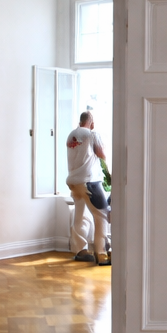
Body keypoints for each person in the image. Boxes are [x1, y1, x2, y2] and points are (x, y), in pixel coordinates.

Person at [65, 111, 110, 264]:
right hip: (89, 181)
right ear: (91, 122)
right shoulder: (92, 134)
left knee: (81, 215)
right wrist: (108, 172)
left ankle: (80, 250)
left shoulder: (71, 135)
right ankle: (101, 253)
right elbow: (101, 153)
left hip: (73, 181)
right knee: (102, 215)